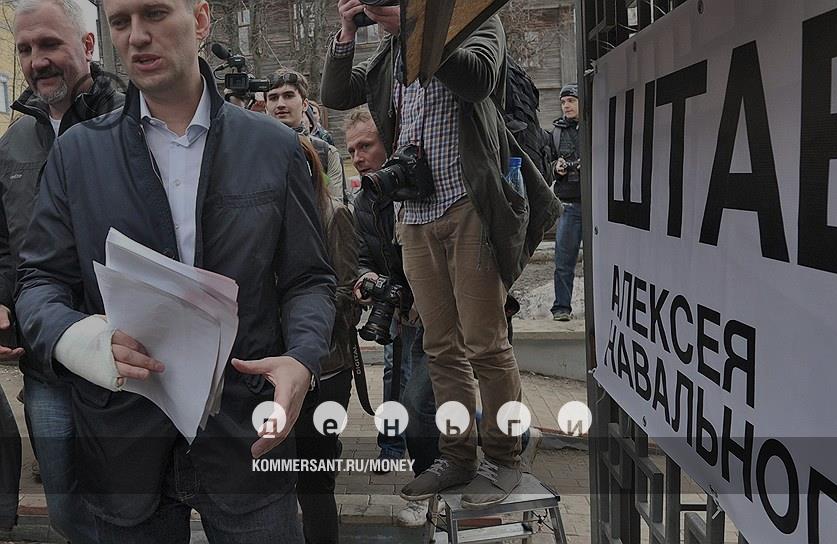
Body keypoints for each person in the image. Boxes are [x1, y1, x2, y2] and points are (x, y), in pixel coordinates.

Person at [14, 0, 335, 541]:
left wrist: (302, 357)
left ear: (201, 20)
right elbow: (39, 282)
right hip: (123, 436)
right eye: (121, 22)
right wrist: (78, 340)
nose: (137, 36)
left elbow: (309, 279)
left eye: (156, 14)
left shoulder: (273, 147)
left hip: (246, 431)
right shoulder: (77, 155)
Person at [321, 2, 560, 509]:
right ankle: (457, 457)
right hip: (414, 216)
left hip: (469, 205)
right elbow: (337, 95)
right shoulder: (390, 52)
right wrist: (346, 31)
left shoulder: (475, 23)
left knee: (486, 345)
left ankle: (504, 458)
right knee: (440, 348)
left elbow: (476, 80)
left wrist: (419, 31)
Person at [1, 1, 125, 540]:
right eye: (25, 49)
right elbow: (6, 244)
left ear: (88, 45)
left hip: (123, 360)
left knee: (132, 506)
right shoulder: (13, 144)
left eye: (50, 44)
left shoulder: (130, 122)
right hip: (46, 364)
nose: (36, 61)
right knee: (66, 509)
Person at [345, 108, 440, 526]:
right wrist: (367, 280)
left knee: (419, 401)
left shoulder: (424, 185)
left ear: (391, 143)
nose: (358, 157)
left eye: (366, 146)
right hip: (403, 315)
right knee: (419, 399)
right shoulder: (364, 201)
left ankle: (428, 487)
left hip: (443, 313)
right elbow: (362, 257)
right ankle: (426, 482)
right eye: (352, 150)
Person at [292, 136, 359, 544]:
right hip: (276, 368)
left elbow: (347, 291)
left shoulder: (333, 214)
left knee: (315, 481)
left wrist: (298, 317)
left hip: (327, 369)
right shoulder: (270, 216)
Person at [265, 68, 346, 201]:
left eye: (288, 96)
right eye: (273, 98)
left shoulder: (326, 153)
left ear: (304, 104)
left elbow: (334, 207)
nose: (280, 104)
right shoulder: (255, 152)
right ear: (266, 107)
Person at [549, 84, 583, 322]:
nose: (566, 106)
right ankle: (561, 308)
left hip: (594, 205)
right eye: (563, 102)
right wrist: (556, 167)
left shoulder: (594, 126)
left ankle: (601, 308)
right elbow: (547, 163)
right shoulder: (556, 133)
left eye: (571, 100)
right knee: (563, 262)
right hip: (568, 205)